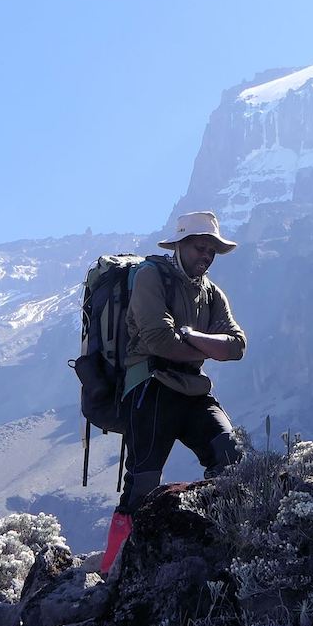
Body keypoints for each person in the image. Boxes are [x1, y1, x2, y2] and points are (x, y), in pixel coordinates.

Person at [100, 211, 247, 574]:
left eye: (211, 250)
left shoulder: (212, 293)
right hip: (151, 387)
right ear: (180, 245)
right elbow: (158, 340)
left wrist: (193, 337)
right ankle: (113, 572)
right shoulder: (151, 276)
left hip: (194, 390)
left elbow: (238, 346)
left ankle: (222, 546)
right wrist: (211, 349)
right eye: (200, 247)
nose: (206, 255)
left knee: (229, 455)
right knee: (143, 485)